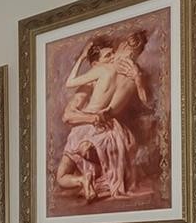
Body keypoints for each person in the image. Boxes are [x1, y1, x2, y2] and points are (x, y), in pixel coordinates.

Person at [55, 31, 150, 202]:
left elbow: (70, 84)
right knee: (66, 172)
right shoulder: (129, 75)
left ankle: (84, 179)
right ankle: (86, 178)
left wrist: (81, 59)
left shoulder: (108, 71)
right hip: (104, 127)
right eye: (108, 55)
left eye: (113, 53)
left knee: (63, 175)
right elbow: (143, 101)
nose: (112, 58)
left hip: (90, 129)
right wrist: (137, 78)